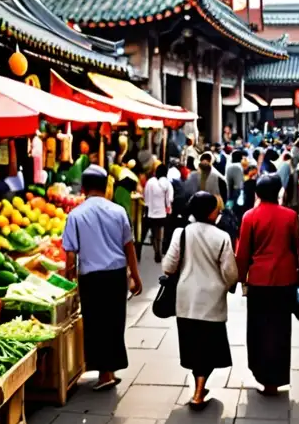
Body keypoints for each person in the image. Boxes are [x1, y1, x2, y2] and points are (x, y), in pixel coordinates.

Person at [62, 165, 143, 391]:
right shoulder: (118, 211)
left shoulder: (75, 215)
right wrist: (135, 277)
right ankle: (109, 371)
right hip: (117, 276)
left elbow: (70, 255)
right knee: (114, 322)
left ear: (85, 188)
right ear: (106, 187)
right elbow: (129, 247)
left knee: (96, 323)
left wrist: (70, 281)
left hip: (91, 277)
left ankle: (105, 374)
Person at [163, 192, 238, 407]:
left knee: (193, 346)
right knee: (209, 348)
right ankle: (198, 391)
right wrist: (228, 285)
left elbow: (168, 266)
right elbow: (231, 273)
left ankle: (198, 388)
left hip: (186, 301)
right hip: (212, 302)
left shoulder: (182, 233)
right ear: (210, 212)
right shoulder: (221, 237)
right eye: (216, 209)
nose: (218, 212)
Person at [236, 174, 299, 395]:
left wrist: (240, 278)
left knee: (258, 329)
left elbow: (243, 253)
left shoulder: (250, 217)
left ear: (257, 193)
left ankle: (262, 374)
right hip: (285, 280)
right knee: (280, 330)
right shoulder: (290, 216)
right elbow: (297, 250)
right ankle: (276, 378)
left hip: (258, 281)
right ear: (278, 192)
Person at [143, 164, 174, 262]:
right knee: (160, 231)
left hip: (151, 212)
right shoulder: (167, 183)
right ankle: (159, 250)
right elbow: (170, 199)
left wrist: (147, 206)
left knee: (153, 231)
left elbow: (146, 196)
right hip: (162, 212)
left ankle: (156, 249)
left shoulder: (150, 182)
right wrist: (168, 209)